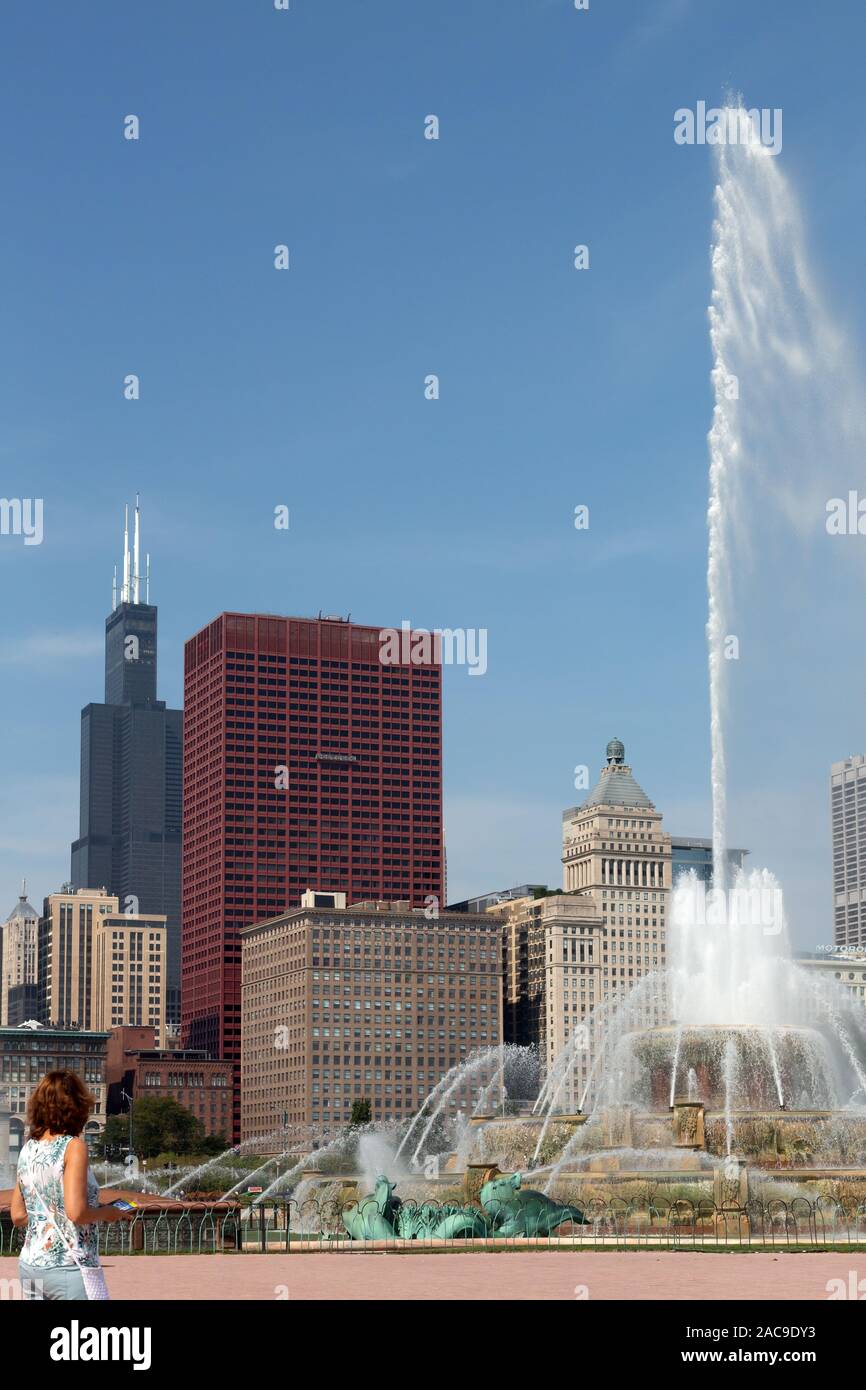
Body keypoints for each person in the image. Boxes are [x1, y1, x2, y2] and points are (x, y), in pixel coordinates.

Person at [10, 1071, 133, 1300]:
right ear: (77, 1106)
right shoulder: (74, 1146)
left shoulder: (28, 1149)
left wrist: (50, 1221)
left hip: (30, 1266)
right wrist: (108, 1212)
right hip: (69, 1266)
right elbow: (76, 1213)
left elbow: (17, 1215)